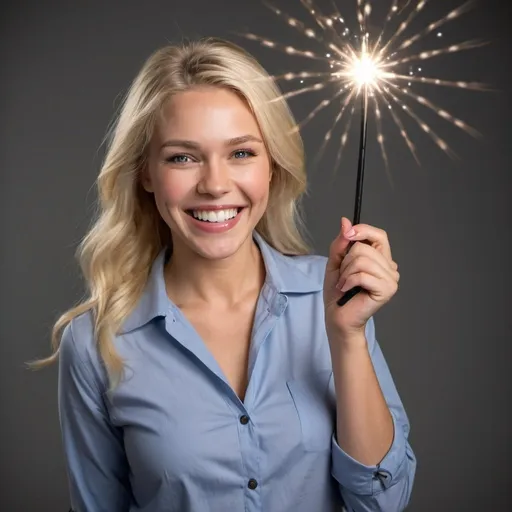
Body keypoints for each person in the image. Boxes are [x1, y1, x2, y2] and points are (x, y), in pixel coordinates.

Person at [31, 37, 416, 512]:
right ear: (146, 173)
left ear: (272, 166)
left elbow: (383, 503)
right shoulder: (94, 343)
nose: (215, 185)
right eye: (182, 157)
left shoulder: (334, 296)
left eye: (241, 153)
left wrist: (348, 337)